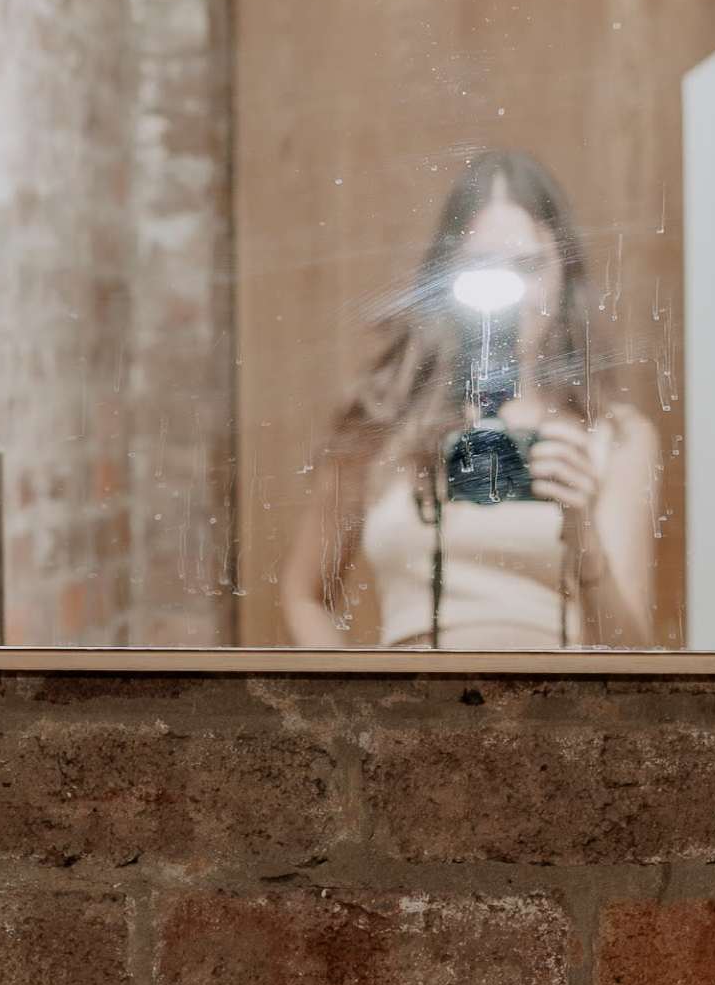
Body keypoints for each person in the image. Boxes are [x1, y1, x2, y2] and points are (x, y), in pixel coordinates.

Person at [278, 149, 662, 650]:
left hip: (561, 716)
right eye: (483, 267)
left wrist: (583, 538)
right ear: (447, 280)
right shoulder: (386, 418)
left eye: (528, 266)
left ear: (565, 275)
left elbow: (633, 655)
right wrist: (355, 710)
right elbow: (303, 593)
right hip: (408, 714)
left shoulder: (616, 437)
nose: (512, 292)